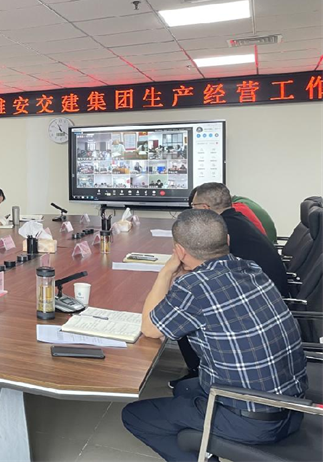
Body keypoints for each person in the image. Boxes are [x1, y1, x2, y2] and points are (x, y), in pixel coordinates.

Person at [122, 209, 307, 462]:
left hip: (252, 422)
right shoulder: (250, 268)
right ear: (227, 240)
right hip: (292, 408)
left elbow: (150, 329)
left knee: (135, 416)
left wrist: (165, 272)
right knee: (185, 388)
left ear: (180, 252)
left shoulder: (193, 287)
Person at [171, 183, 291, 387]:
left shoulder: (220, 231)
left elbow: (204, 273)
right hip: (267, 297)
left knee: (188, 305)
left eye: (193, 206)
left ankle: (196, 371)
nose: (192, 211)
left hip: (256, 304)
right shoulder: (235, 220)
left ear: (205, 208)